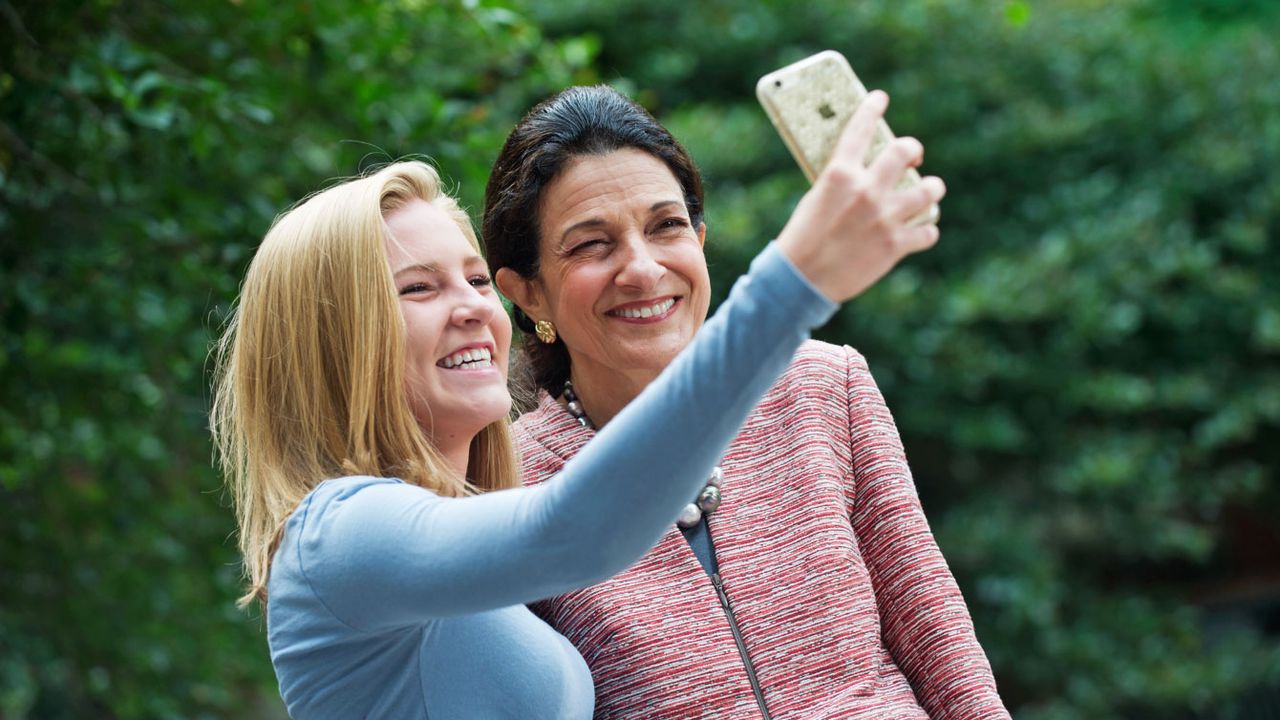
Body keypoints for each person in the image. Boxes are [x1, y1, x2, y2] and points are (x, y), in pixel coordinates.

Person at [208, 84, 940, 719]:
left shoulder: (457, 531)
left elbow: (934, 632)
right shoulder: (341, 537)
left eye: (471, 280)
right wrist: (795, 281)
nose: (473, 309)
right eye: (418, 288)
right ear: (334, 341)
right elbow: (575, 531)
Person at [486, 85, 1007, 719]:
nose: (644, 269)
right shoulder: (506, 481)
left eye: (666, 226)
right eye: (592, 244)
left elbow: (936, 633)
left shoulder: (822, 385)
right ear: (528, 294)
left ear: (700, 241)